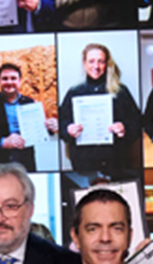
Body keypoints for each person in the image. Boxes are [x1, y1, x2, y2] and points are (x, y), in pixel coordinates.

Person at [57, 42, 142, 177]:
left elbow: (137, 122)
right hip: (83, 165)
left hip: (116, 162)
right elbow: (61, 123)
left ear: (107, 64)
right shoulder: (74, 92)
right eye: (91, 61)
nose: (96, 66)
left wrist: (124, 128)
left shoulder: (121, 91)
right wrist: (68, 129)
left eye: (101, 61)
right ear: (84, 64)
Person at [0, 61, 58, 169]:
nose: (9, 82)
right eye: (5, 78)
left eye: (13, 78)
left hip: (24, 161)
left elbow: (39, 131)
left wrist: (51, 127)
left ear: (20, 81)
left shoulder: (29, 102)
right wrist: (3, 142)